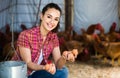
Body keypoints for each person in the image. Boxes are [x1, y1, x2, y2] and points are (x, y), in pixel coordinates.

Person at [12, 3, 78, 78]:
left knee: (63, 71)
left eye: (56, 19)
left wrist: (64, 57)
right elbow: (28, 63)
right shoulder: (26, 35)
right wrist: (45, 67)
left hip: (36, 74)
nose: (52, 22)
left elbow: (58, 65)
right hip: (21, 74)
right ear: (42, 16)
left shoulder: (53, 37)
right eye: (49, 17)